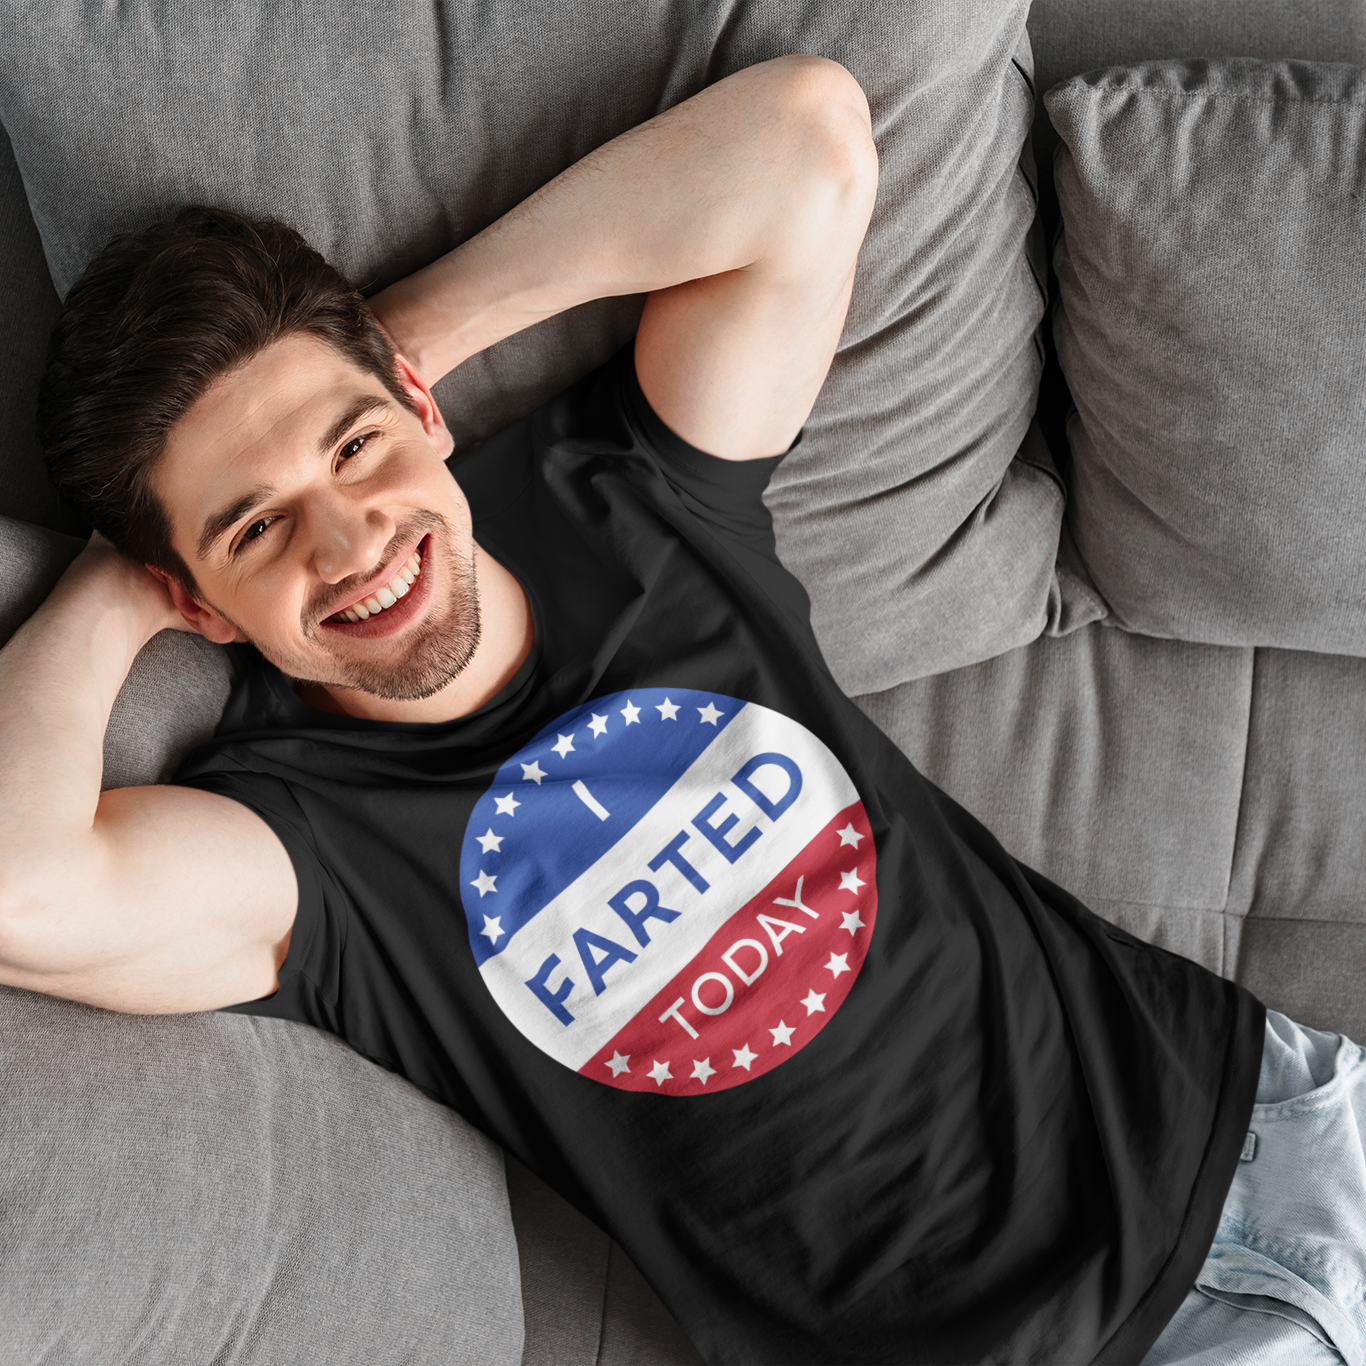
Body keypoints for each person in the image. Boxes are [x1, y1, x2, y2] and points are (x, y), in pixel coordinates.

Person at [0, 53, 1360, 1365]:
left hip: (1271, 1110)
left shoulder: (629, 500)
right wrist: (119, 590)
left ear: (417, 408)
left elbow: (807, 140)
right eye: (257, 528)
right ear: (203, 599)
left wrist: (414, 337)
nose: (351, 539)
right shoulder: (310, 851)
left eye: (353, 445)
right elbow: (22, 894)